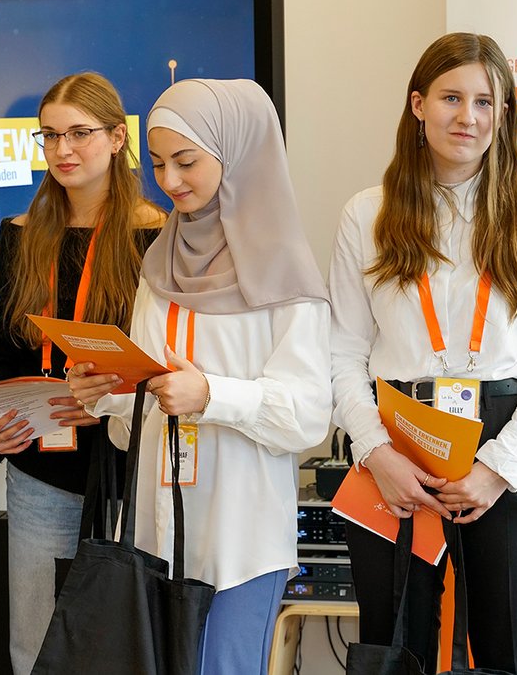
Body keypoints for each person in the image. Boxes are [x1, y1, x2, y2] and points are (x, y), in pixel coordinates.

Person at [329, 32, 517, 675]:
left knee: (510, 654)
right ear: (418, 105)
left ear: (503, 114)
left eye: (484, 101)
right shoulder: (366, 214)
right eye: (451, 98)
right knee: (395, 651)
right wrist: (375, 452)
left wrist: (497, 469)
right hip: (396, 444)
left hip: (506, 441)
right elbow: (342, 352)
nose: (467, 116)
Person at [67, 78, 332, 675]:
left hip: (239, 539)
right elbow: (140, 404)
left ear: (236, 154)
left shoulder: (286, 272)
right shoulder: (159, 262)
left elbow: (308, 415)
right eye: (158, 163)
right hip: (153, 531)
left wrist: (212, 395)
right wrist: (106, 394)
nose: (169, 181)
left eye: (186, 162)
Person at [0, 72, 163, 675]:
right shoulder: (22, 235)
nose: (63, 149)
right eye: (50, 135)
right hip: (41, 465)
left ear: (117, 138)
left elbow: (171, 356)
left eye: (79, 133)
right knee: (35, 642)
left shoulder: (158, 234)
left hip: (130, 465)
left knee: (125, 642)